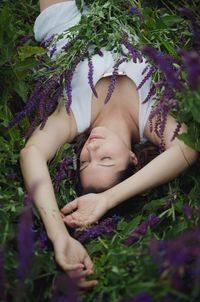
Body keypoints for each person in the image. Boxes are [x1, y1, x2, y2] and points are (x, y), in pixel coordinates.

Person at [19, 0, 198, 289]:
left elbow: (32, 153)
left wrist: (59, 236)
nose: (92, 150)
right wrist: (107, 199)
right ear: (132, 158)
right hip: (118, 9)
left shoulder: (72, 118)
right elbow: (188, 146)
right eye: (106, 160)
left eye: (86, 161)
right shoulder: (150, 119)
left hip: (64, 23)